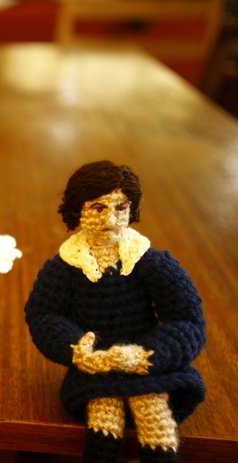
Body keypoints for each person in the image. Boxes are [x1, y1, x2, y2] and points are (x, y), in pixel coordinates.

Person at [25, 161, 205, 463]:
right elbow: (43, 315)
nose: (110, 219)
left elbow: (188, 319)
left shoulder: (150, 262)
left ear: (131, 211)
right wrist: (77, 348)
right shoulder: (65, 268)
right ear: (78, 211)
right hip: (95, 369)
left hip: (147, 366)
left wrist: (147, 355)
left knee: (155, 419)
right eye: (98, 208)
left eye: (121, 208)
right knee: (103, 422)